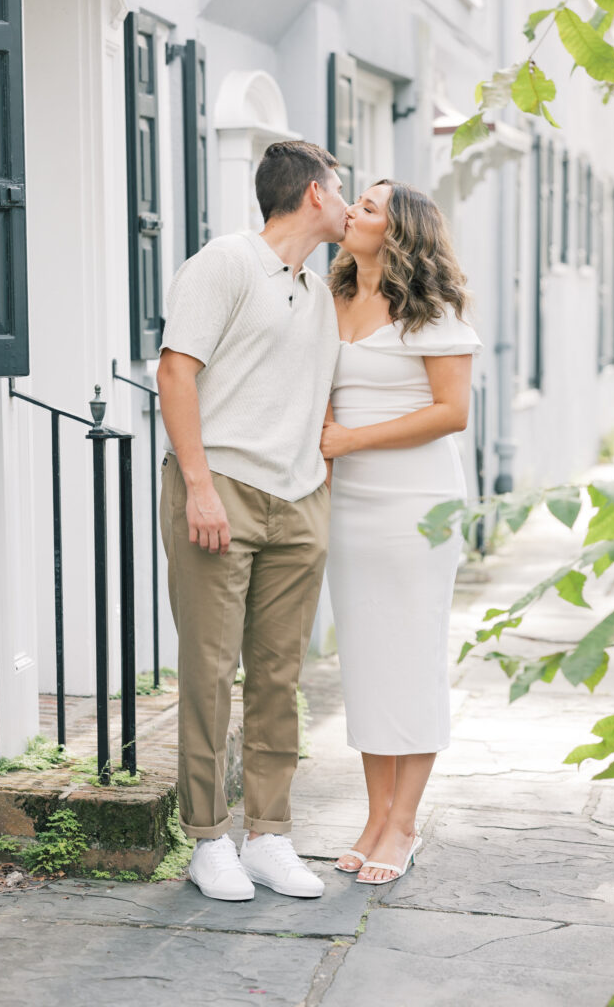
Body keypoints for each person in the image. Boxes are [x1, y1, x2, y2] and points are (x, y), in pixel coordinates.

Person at [157, 140, 347, 901]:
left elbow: (318, 387)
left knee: (279, 677)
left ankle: (268, 835)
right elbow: (176, 370)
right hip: (222, 490)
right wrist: (199, 488)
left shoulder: (319, 289)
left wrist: (318, 480)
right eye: (341, 188)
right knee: (209, 672)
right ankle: (207, 839)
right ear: (310, 194)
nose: (346, 200)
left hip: (298, 500)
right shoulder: (225, 263)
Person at [321, 180, 482, 885]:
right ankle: (372, 815)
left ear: (398, 232)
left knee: (410, 658)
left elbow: (451, 412)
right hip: (346, 503)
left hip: (415, 504)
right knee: (364, 660)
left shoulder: (431, 309)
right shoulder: (328, 299)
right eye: (353, 199)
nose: (351, 210)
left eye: (368, 206)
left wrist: (350, 441)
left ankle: (404, 823)